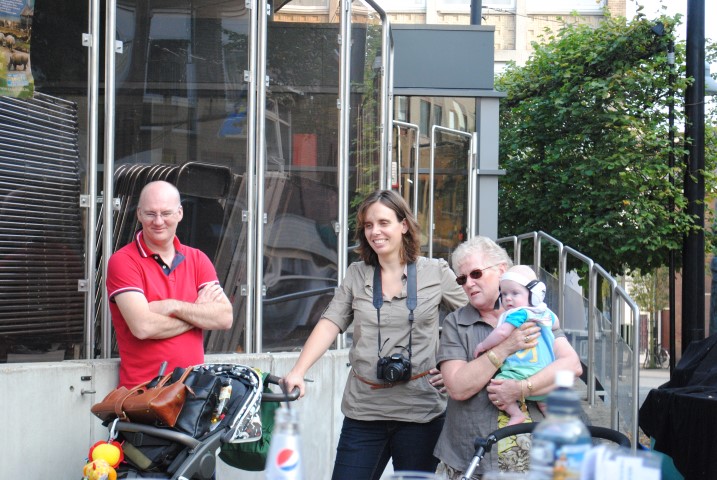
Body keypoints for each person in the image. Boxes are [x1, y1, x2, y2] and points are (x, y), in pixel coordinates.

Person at [282, 189, 467, 480]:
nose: (375, 232)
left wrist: (457, 368)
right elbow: (330, 322)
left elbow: (474, 318)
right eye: (368, 225)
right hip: (364, 411)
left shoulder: (436, 272)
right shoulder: (357, 273)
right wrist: (298, 371)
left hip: (421, 411)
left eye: (383, 223)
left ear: (403, 225)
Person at [434, 236, 582, 479]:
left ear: (502, 270)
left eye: (476, 274)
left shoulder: (535, 314)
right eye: (462, 279)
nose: (468, 283)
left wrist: (521, 388)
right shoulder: (456, 323)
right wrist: (505, 347)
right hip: (472, 457)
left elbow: (572, 366)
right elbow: (458, 387)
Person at [106, 180, 233, 388]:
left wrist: (172, 306)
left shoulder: (198, 259)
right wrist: (198, 316)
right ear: (139, 214)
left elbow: (225, 317)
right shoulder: (123, 261)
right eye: (150, 213)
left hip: (194, 391)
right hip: (146, 394)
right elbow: (143, 327)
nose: (158, 221)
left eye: (166, 213)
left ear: (179, 213)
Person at [472, 264, 560, 425]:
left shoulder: (519, 314)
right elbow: (556, 324)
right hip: (544, 376)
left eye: (515, 293)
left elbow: (502, 333)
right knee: (545, 403)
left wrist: (483, 345)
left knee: (495, 388)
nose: (508, 298)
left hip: (521, 372)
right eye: (504, 294)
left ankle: (516, 414)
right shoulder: (545, 312)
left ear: (534, 295)